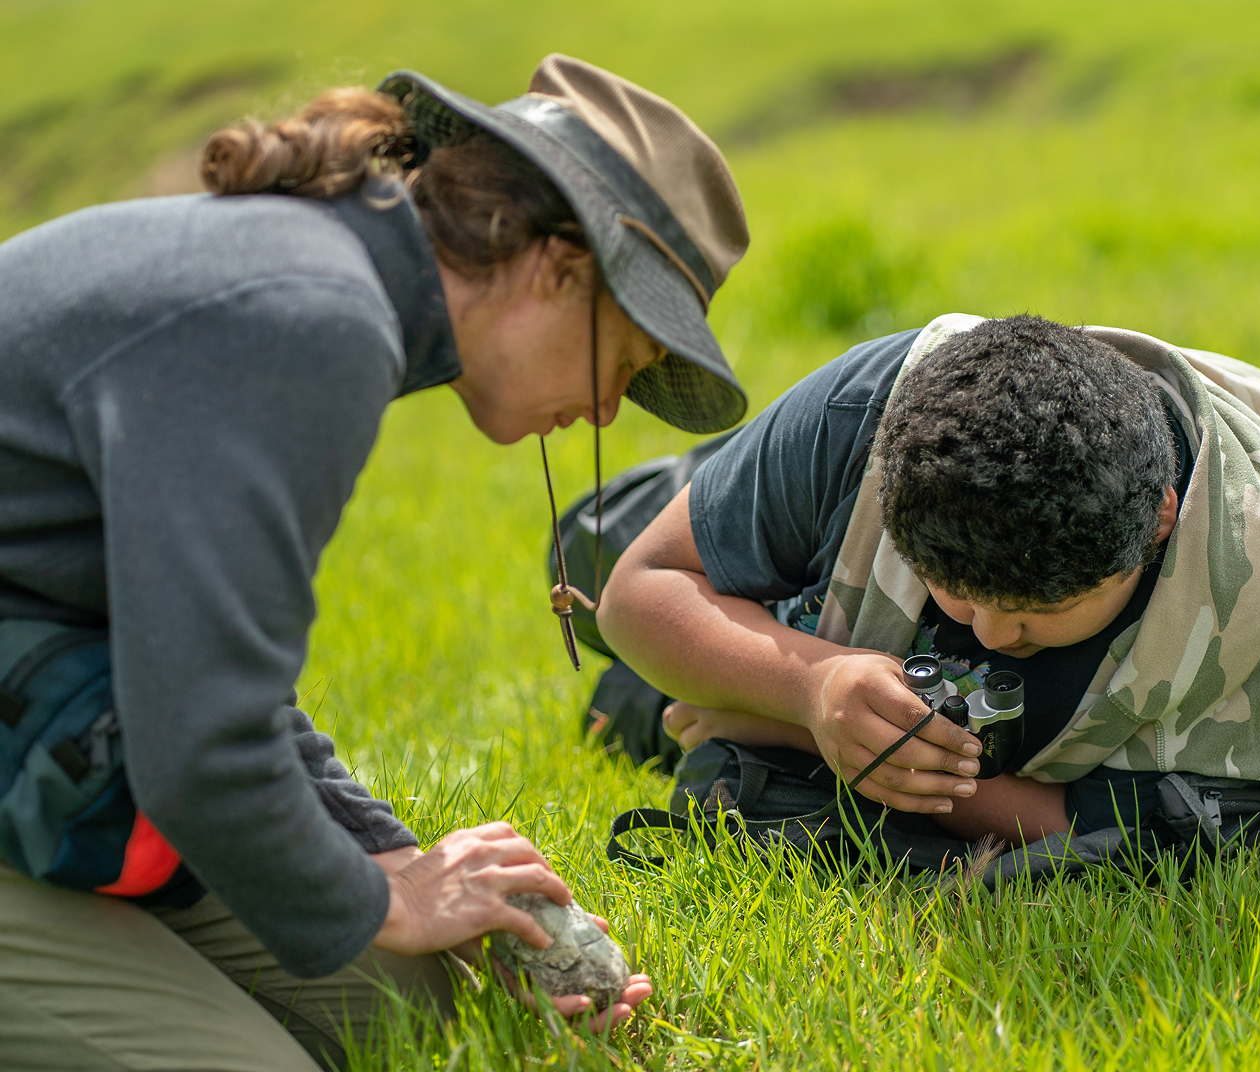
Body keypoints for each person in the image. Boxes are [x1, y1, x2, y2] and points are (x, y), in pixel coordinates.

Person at [0, 54, 750, 1071]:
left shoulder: (328, 292)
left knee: (435, 1008)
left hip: (44, 724)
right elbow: (201, 748)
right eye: (622, 362)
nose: (607, 410)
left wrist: (390, 859)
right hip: (60, 739)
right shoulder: (312, 320)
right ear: (560, 265)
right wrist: (381, 892)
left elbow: (216, 680)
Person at [596, 314, 1260, 856]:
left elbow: (1136, 820)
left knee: (718, 737)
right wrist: (813, 681)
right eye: (952, 589)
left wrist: (798, 727)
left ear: (1157, 526)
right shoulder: (865, 414)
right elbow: (639, 591)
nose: (987, 634)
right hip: (798, 599)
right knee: (601, 598)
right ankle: (677, 486)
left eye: (1036, 613)